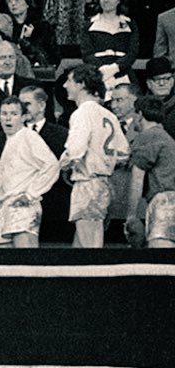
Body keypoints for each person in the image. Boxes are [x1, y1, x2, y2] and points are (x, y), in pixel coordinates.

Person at [58, 64, 130, 248]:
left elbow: (75, 150)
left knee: (91, 247)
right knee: (81, 246)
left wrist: (61, 165)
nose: (65, 85)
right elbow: (123, 152)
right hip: (105, 182)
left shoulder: (83, 112)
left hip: (87, 182)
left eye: (69, 80)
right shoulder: (109, 114)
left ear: (81, 84)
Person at [0, 97, 61, 247]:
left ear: (24, 117)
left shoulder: (29, 136)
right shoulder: (8, 139)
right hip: (5, 205)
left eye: (14, 114)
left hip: (23, 207)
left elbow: (52, 165)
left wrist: (31, 194)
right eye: (4, 113)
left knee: (25, 259)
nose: (8, 118)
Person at [125, 96, 175, 248]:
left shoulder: (147, 136)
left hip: (164, 203)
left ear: (139, 115)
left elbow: (137, 177)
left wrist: (131, 216)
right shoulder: (167, 138)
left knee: (160, 257)